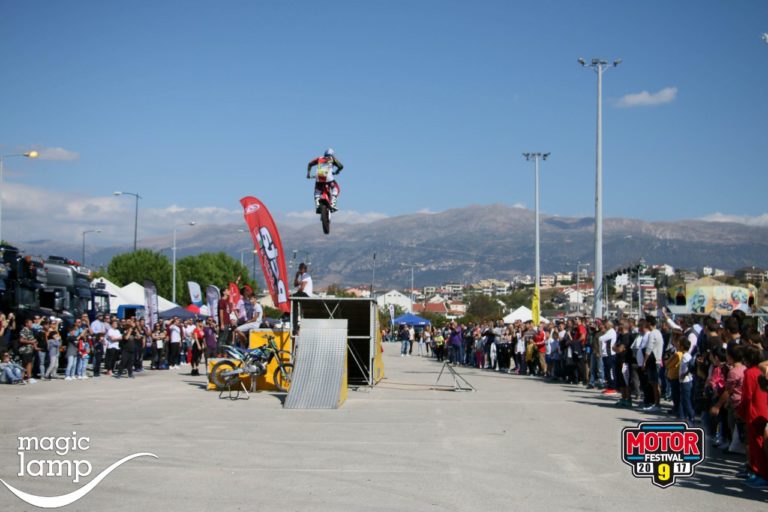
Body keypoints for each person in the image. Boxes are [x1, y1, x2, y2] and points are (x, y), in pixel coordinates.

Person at [18, 318, 37, 383]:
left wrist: (34, 345)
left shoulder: (30, 330)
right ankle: (26, 378)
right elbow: (21, 340)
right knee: (26, 364)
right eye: (30, 323)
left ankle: (25, 378)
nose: (31, 324)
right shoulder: (24, 330)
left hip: (30, 350)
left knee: (29, 363)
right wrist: (31, 342)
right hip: (25, 350)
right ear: (26, 324)